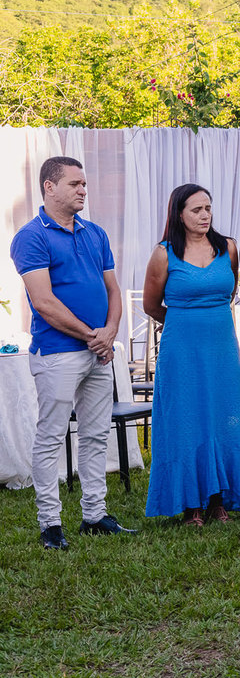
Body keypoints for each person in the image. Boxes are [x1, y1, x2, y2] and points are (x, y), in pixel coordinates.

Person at [9, 156, 136, 549]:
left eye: (84, 184)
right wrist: (92, 336)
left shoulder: (95, 233)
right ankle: (50, 524)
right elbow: (44, 302)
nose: (83, 189)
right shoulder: (31, 236)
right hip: (57, 352)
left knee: (96, 435)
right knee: (51, 437)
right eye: (75, 184)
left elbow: (113, 290)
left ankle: (94, 515)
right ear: (49, 187)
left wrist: (110, 333)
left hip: (98, 352)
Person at [142, 184, 240, 525]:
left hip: (221, 346)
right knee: (185, 419)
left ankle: (219, 498)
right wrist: (184, 320)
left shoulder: (228, 248)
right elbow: (151, 305)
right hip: (181, 348)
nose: (205, 215)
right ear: (179, 214)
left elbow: (230, 292)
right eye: (196, 209)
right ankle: (191, 503)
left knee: (224, 416)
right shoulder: (163, 254)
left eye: (208, 208)